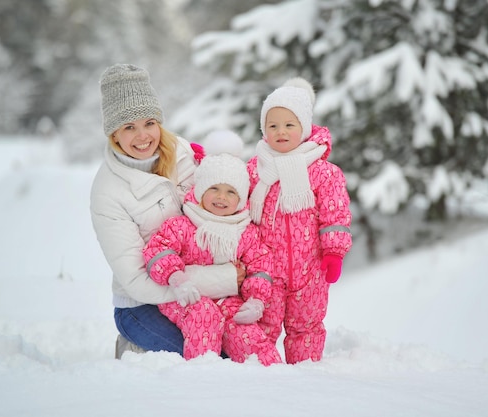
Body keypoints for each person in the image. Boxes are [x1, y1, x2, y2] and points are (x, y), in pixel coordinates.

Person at [90, 63, 242, 359]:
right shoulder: (108, 192)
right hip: (142, 305)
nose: (143, 136)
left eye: (149, 123)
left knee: (240, 346)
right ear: (114, 134)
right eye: (129, 127)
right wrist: (222, 279)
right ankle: (134, 345)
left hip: (201, 294)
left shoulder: (181, 153)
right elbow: (135, 280)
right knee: (212, 358)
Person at [142, 130, 282, 366]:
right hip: (186, 298)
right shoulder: (183, 225)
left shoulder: (244, 232)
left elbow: (260, 264)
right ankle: (203, 376)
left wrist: (256, 299)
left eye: (230, 192)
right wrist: (176, 277)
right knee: (203, 315)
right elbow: (157, 250)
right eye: (214, 189)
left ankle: (272, 377)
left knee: (244, 330)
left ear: (240, 199)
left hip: (228, 301)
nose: (221, 197)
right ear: (200, 191)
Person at [247, 77, 353, 364]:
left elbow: (335, 213)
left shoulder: (323, 172)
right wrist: (202, 165)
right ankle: (261, 381)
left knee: (306, 328)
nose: (281, 131)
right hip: (266, 271)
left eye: (289, 125)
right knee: (262, 329)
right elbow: (224, 194)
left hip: (311, 271)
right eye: (273, 125)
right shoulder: (255, 171)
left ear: (304, 128)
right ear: (264, 130)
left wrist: (333, 252)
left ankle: (304, 383)